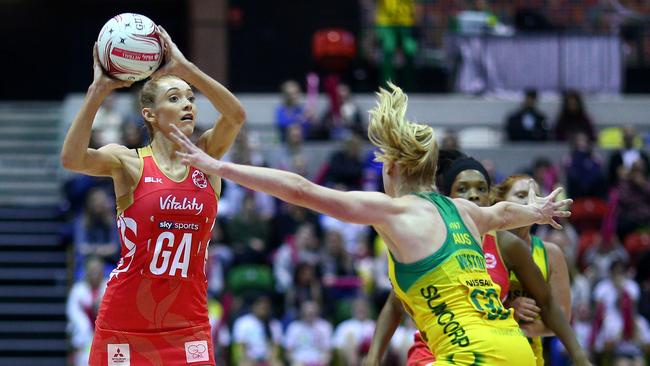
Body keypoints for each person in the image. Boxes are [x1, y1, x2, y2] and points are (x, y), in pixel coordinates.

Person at [170, 82, 574, 365]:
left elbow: (299, 190)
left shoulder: (395, 211)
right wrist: (535, 212)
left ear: (395, 168)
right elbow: (502, 214)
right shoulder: (463, 211)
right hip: (516, 351)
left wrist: (215, 165)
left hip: (473, 355)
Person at [60, 25, 246, 366]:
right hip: (124, 323)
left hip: (187, 325)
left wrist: (184, 67)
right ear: (150, 114)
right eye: (175, 98)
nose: (189, 104)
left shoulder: (205, 158)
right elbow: (71, 158)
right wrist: (98, 90)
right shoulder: (129, 162)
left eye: (190, 98)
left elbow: (236, 115)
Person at [365, 154, 587, 366]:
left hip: (494, 347)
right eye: (463, 189)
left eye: (481, 188)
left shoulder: (508, 244)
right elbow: (395, 304)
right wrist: (373, 357)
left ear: (491, 196)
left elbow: (550, 306)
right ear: (448, 198)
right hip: (436, 345)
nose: (473, 195)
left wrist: (579, 356)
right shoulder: (433, 236)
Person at [492, 174, 578, 366]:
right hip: (487, 349)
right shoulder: (484, 244)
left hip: (529, 353)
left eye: (536, 197)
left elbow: (562, 318)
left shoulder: (551, 253)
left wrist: (527, 326)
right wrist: (508, 310)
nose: (531, 202)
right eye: (521, 194)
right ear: (501, 201)